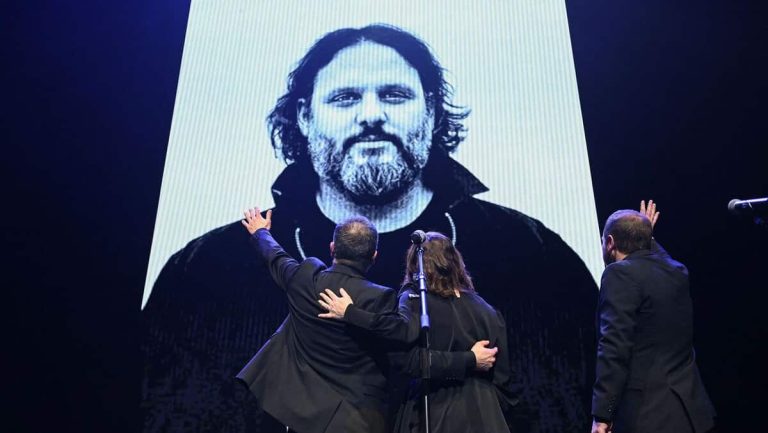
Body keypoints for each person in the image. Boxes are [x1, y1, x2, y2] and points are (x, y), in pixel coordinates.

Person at [142, 24, 597, 433]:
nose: (372, 115)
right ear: (304, 116)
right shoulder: (199, 269)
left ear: (433, 112)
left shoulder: (538, 254)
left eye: (395, 95)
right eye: (344, 98)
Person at [235, 210, 497, 433]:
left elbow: (275, 257)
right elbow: (407, 348)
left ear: (332, 248)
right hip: (355, 420)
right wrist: (469, 360)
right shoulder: (380, 298)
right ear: (374, 256)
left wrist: (260, 232)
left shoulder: (305, 280)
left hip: (299, 416)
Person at [318, 231, 521, 433]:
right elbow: (505, 383)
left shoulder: (415, 300)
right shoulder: (487, 310)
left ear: (415, 264)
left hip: (434, 413)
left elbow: (408, 362)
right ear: (455, 262)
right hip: (487, 419)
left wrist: (351, 314)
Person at [591, 201, 716, 433]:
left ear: (609, 243)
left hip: (650, 417)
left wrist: (602, 415)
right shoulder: (677, 271)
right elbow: (659, 257)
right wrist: (645, 233)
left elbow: (613, 348)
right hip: (691, 415)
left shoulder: (618, 274)